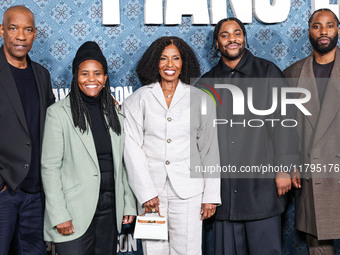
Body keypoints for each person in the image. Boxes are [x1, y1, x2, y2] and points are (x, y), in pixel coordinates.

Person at [201, 17, 299, 255]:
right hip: (225, 194)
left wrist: (285, 168)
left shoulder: (268, 72)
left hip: (262, 190)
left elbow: (285, 122)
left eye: (237, 33)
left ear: (244, 38)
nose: (232, 39)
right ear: (216, 43)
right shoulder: (205, 83)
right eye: (225, 35)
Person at [123, 36, 220, 255]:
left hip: (189, 190)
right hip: (151, 191)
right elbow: (131, 149)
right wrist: (145, 192)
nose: (170, 65)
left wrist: (211, 196)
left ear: (184, 62)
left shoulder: (201, 99)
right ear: (153, 63)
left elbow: (209, 149)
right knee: (153, 251)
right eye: (163, 58)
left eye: (175, 58)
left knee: (188, 250)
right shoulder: (137, 100)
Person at [41, 41, 136, 255]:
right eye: (85, 73)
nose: (91, 79)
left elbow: (123, 162)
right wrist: (59, 214)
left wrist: (128, 203)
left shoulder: (115, 113)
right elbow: (50, 168)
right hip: (74, 211)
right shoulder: (58, 114)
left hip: (110, 209)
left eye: (97, 74)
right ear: (76, 77)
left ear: (105, 78)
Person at [284, 9, 340, 255]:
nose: (324, 31)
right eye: (317, 26)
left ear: (338, 30)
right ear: (309, 32)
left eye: (330, 25)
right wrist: (291, 163)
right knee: (319, 246)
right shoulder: (292, 74)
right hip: (313, 173)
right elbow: (286, 127)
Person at [0, 5, 55, 255]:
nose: (21, 36)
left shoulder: (41, 75)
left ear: (35, 34)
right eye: (13, 28)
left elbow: (55, 121)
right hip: (4, 191)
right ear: (2, 31)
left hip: (36, 192)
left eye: (28, 29)